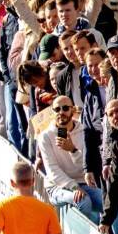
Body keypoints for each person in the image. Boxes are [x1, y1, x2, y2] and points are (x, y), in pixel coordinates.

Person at [38, 95, 104, 224]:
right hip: (57, 186)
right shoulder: (45, 136)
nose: (61, 112)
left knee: (107, 201)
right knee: (83, 201)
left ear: (72, 110)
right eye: (57, 109)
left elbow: (85, 167)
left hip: (82, 182)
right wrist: (74, 187)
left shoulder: (84, 131)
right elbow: (52, 170)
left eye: (65, 108)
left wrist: (73, 150)